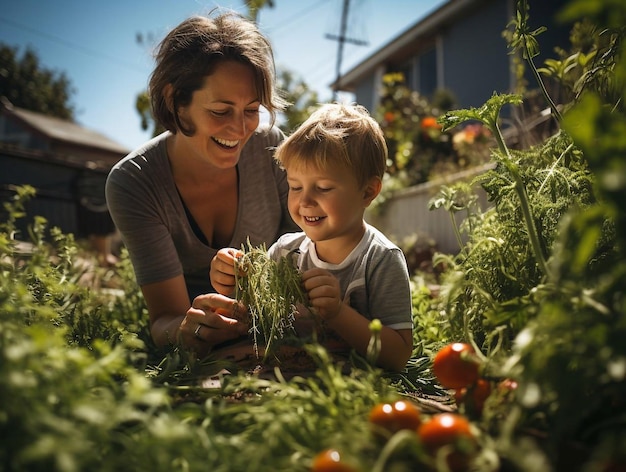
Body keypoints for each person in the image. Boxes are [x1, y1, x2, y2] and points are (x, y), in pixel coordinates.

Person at [105, 10, 297, 358]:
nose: (240, 130)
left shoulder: (272, 150)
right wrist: (186, 330)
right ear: (176, 101)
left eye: (251, 109)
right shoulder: (134, 182)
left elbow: (310, 256)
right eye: (221, 111)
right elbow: (164, 317)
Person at [212, 103, 413, 372]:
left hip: (345, 389)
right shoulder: (285, 252)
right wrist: (236, 283)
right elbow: (259, 318)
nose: (305, 200)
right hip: (286, 378)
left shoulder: (380, 260)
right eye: (295, 186)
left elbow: (398, 355)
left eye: (323, 188)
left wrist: (338, 314)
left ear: (367, 192)